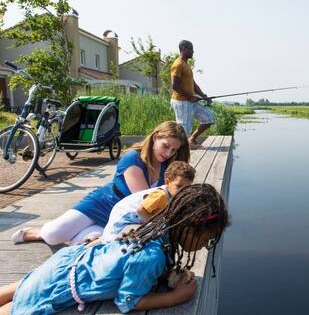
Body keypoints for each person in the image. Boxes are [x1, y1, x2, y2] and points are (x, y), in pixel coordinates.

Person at [0, 184, 229, 315]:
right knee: (18, 306)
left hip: (69, 262)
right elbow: (128, 301)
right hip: (62, 284)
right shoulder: (152, 256)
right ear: (187, 228)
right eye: (206, 239)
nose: (203, 245)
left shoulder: (159, 227)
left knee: (23, 286)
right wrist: (175, 297)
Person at [11, 121, 190, 246]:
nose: (168, 153)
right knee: (53, 235)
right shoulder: (132, 158)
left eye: (174, 150)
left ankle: (79, 234)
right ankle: (37, 232)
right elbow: (145, 201)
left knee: (80, 244)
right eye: (166, 146)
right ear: (156, 137)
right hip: (103, 204)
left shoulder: (168, 168)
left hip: (121, 219)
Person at [101, 161, 196, 242]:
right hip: (124, 217)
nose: (182, 191)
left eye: (187, 188)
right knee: (112, 240)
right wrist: (155, 223)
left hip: (134, 217)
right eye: (179, 186)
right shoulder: (161, 195)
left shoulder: (173, 195)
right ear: (167, 182)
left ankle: (95, 241)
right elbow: (141, 209)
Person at [170, 40, 216, 148]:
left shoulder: (186, 65)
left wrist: (204, 96)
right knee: (184, 129)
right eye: (191, 48)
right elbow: (175, 85)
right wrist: (190, 97)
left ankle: (191, 140)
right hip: (181, 101)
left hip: (191, 101)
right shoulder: (178, 64)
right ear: (184, 48)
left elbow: (193, 84)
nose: (193, 51)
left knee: (209, 118)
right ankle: (180, 153)